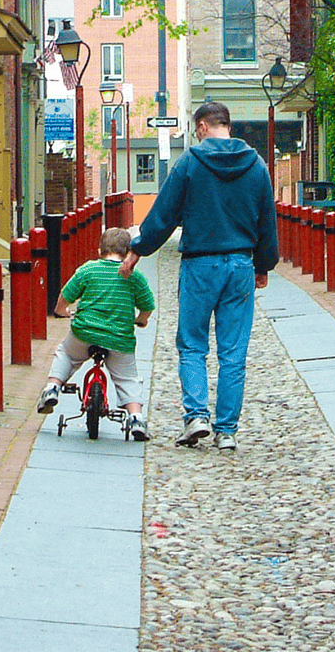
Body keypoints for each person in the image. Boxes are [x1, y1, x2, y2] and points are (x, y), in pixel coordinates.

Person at [119, 101, 278, 451]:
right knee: (233, 352)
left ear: (203, 126)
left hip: (200, 265)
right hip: (240, 264)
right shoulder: (257, 166)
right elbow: (267, 220)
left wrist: (138, 248)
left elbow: (164, 212)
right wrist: (263, 265)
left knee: (192, 343)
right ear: (228, 125)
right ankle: (227, 431)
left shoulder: (191, 162)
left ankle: (196, 417)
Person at [37, 227, 155, 441]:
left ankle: (53, 388)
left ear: (99, 249)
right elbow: (148, 305)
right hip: (119, 338)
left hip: (85, 332)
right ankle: (136, 418)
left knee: (66, 354)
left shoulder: (89, 269)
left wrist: (62, 311)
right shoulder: (134, 275)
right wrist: (141, 320)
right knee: (127, 378)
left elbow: (66, 295)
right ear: (128, 252)